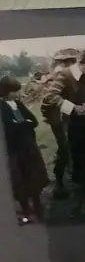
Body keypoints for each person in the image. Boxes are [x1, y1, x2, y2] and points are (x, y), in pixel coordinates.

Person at [1, 74, 47, 224]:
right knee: (19, 178)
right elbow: (8, 127)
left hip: (28, 145)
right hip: (14, 148)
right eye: (14, 91)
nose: (18, 94)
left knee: (34, 174)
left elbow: (33, 121)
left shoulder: (19, 104)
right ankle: (25, 208)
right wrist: (22, 123)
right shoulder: (2, 107)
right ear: (6, 92)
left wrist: (20, 123)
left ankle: (37, 204)